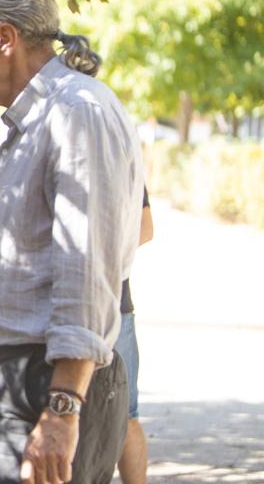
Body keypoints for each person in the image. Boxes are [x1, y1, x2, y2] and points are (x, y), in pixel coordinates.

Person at [0, 0, 144, 484]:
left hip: (46, 385)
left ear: (4, 38)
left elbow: (86, 268)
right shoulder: (38, 116)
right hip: (16, 379)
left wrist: (62, 409)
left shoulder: (76, 112)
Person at [116, 189, 154, 484]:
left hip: (114, 308)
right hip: (54, 307)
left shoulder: (117, 149)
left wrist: (98, 266)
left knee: (126, 414)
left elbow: (145, 228)